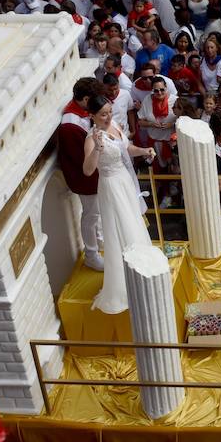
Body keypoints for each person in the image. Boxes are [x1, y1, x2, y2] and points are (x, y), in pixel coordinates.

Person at [82, 92, 156, 314]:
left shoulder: (114, 125)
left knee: (134, 222)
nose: (107, 117)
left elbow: (126, 148)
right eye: (103, 114)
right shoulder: (90, 138)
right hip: (111, 186)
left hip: (124, 181)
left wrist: (144, 150)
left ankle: (144, 270)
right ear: (92, 116)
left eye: (109, 112)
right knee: (121, 229)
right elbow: (87, 170)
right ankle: (126, 282)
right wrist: (96, 147)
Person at [57, 79, 106, 270]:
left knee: (98, 213)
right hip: (86, 179)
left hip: (94, 175)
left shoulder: (81, 113)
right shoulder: (70, 125)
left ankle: (100, 241)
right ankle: (91, 255)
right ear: (86, 99)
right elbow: (81, 159)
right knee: (91, 215)